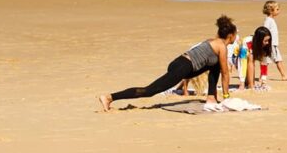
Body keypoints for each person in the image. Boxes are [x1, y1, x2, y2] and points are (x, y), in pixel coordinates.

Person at [99, 15, 237, 110]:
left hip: (182, 63)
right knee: (149, 91)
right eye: (235, 35)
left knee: (215, 66)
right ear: (230, 35)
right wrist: (226, 97)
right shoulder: (221, 47)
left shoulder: (211, 41)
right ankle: (110, 97)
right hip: (183, 67)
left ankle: (211, 97)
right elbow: (225, 74)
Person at [262, 1, 287, 80]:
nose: (279, 11)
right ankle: (283, 75)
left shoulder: (270, 20)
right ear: (271, 11)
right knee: (276, 60)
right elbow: (265, 31)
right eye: (277, 9)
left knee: (272, 60)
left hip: (273, 44)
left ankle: (263, 76)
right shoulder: (268, 21)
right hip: (271, 44)